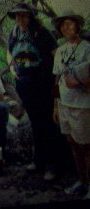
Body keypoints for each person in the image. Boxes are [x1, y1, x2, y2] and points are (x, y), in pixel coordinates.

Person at [7, 3, 59, 180]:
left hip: (43, 83)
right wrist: (13, 68)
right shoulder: (14, 33)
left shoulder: (42, 32)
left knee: (48, 122)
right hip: (24, 84)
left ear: (30, 16)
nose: (20, 19)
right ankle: (39, 161)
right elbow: (9, 53)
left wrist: (57, 77)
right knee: (35, 122)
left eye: (23, 15)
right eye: (17, 16)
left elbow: (56, 53)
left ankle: (52, 165)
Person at [52, 11, 90, 199]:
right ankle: (82, 181)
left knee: (86, 147)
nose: (66, 28)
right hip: (64, 104)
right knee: (73, 145)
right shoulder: (60, 50)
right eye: (63, 25)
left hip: (82, 106)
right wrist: (55, 106)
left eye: (70, 24)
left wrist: (80, 82)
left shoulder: (87, 48)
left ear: (77, 26)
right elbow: (57, 78)